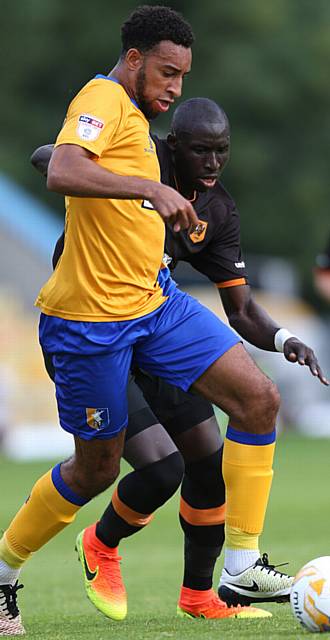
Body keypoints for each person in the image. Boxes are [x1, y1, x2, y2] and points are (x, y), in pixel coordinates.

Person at [0, 6, 327, 634]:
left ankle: (238, 565)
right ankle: (4, 573)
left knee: (258, 400)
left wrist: (282, 338)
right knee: (96, 468)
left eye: (182, 76)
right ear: (134, 60)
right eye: (167, 73)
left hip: (155, 305)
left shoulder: (152, 139)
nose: (175, 88)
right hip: (86, 324)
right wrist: (151, 190)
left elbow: (240, 308)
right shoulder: (100, 98)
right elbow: (63, 167)